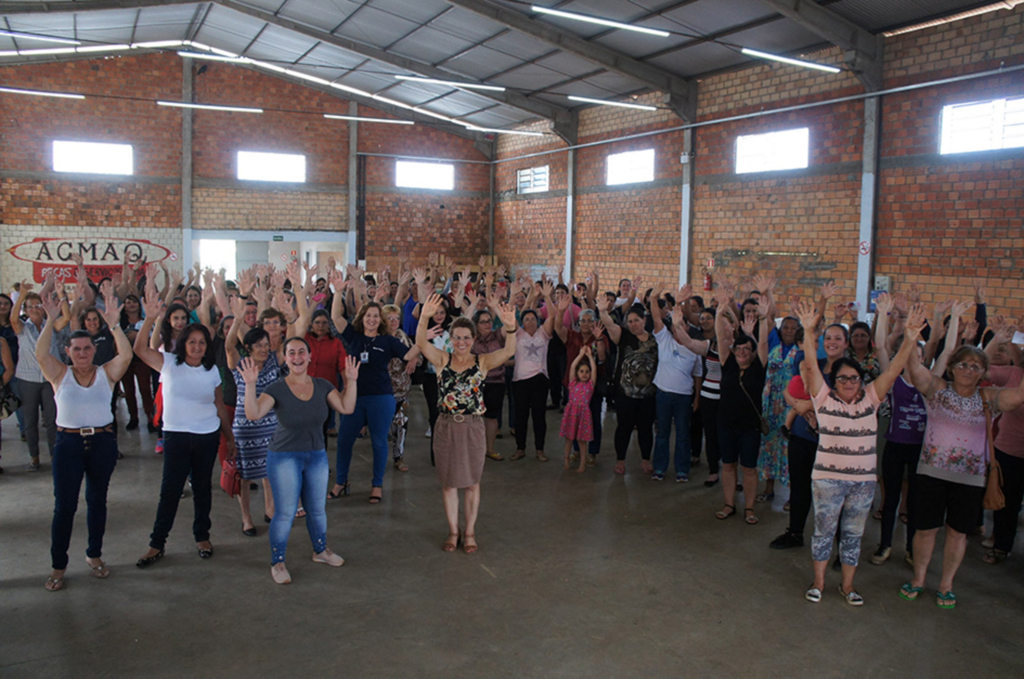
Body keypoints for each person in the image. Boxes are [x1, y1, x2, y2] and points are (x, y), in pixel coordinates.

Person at [797, 300, 925, 606]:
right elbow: (812, 365)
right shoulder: (824, 401)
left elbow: (893, 371)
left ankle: (848, 587)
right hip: (827, 480)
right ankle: (818, 583)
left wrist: (909, 340)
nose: (850, 383)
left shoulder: (871, 399)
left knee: (853, 537)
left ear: (861, 381)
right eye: (843, 378)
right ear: (834, 382)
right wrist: (807, 330)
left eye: (854, 378)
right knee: (823, 534)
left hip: (862, 484)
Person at [900, 322, 1024, 608]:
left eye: (976, 366)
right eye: (964, 364)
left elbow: (1017, 396)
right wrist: (909, 340)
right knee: (926, 530)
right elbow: (915, 371)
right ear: (953, 367)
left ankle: (946, 585)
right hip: (931, 474)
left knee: (957, 533)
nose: (969, 369)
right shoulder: (937, 389)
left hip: (969, 480)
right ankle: (919, 579)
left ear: (983, 372)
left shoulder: (988, 397)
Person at [241, 339, 359, 584]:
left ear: (309, 356)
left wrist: (352, 380)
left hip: (316, 455)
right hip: (284, 457)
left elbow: (347, 407)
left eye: (301, 352)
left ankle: (320, 550)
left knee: (317, 510)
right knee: (284, 513)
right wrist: (250, 385)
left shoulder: (323, 385)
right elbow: (253, 414)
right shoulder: (277, 388)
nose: (296, 357)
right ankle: (278, 561)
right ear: (285, 357)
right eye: (291, 353)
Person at [36, 292, 132, 591]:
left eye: (86, 348)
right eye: (76, 349)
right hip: (68, 445)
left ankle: (94, 555)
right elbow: (40, 355)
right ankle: (58, 565)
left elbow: (126, 356)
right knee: (64, 506)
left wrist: (114, 326)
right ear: (68, 351)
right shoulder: (59, 374)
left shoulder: (106, 373)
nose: (81, 353)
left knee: (96, 502)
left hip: (102, 443)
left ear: (93, 350)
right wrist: (50, 320)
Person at [133, 290, 237, 568]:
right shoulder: (168, 363)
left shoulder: (212, 370)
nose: (197, 347)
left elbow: (219, 407)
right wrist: (150, 319)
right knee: (170, 491)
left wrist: (230, 438)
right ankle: (157, 543)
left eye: (202, 342)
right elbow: (140, 350)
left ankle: (202, 536)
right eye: (192, 342)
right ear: (182, 343)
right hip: (177, 437)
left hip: (207, 436)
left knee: (203, 488)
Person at [415, 293, 517, 553]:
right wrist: (424, 318)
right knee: (449, 482)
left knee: (472, 482)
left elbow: (509, 351)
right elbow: (421, 344)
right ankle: (453, 531)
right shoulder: (442, 359)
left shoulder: (482, 362)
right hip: (446, 426)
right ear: (451, 339)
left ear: (473, 340)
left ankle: (469, 532)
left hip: (473, 426)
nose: (461, 342)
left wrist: (510, 326)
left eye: (466, 337)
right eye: (457, 337)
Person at [329, 271, 417, 503]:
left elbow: (408, 354)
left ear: (382, 320)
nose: (372, 319)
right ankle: (341, 481)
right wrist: (338, 291)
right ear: (362, 317)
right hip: (354, 397)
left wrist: (423, 342)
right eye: (368, 315)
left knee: (379, 441)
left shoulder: (388, 341)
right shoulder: (355, 336)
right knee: (344, 441)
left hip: (381, 397)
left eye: (376, 316)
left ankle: (377, 485)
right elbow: (337, 318)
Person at [869, 293, 928, 565]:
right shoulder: (893, 380)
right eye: (909, 351)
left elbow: (947, 351)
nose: (912, 357)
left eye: (917, 353)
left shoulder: (930, 383)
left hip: (920, 452)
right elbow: (880, 346)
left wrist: (932, 322)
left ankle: (911, 550)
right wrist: (883, 314)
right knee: (890, 500)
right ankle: (885, 545)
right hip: (894, 446)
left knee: (916, 502)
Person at [713, 291, 770, 524]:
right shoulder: (727, 363)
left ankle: (749, 508)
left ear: (753, 352)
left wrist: (764, 319)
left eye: (747, 349)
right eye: (739, 350)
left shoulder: (759, 367)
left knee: (748, 468)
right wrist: (719, 312)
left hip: (749, 427)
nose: (743, 353)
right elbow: (719, 334)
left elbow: (764, 342)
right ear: (733, 351)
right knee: (728, 465)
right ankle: (729, 504)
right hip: (726, 424)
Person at [649, 282, 710, 482]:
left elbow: (698, 375)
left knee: (683, 434)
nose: (678, 327)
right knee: (663, 433)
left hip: (684, 396)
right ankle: (659, 467)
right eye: (676, 323)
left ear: (687, 328)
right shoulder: (663, 338)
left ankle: (682, 470)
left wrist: (697, 398)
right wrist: (653, 297)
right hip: (663, 394)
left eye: (682, 324)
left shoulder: (694, 347)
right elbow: (656, 316)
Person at [597, 293, 659, 475]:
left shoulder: (655, 339)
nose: (633, 324)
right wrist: (602, 311)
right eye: (630, 321)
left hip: (649, 394)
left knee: (646, 429)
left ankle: (645, 459)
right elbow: (609, 323)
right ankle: (620, 460)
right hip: (625, 394)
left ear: (644, 320)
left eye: (636, 321)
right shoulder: (622, 336)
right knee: (624, 427)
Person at [11, 283, 68, 470]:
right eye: (30, 306)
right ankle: (34, 457)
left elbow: (66, 317)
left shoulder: (50, 325)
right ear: (25, 310)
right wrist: (22, 295)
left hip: (50, 379)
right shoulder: (23, 328)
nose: (35, 309)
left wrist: (61, 295)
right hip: (27, 379)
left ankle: (55, 455)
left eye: (38, 305)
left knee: (52, 420)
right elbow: (12, 318)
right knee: (30, 420)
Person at [982, 321, 1024, 564]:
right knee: (1006, 501)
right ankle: (1001, 545)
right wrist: (996, 340)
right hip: (1008, 448)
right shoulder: (1014, 374)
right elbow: (982, 368)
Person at [510, 282, 556, 462]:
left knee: (539, 416)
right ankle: (520, 448)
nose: (530, 321)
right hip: (520, 381)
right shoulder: (518, 334)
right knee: (521, 417)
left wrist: (546, 297)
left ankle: (540, 449)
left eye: (533, 319)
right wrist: (513, 296)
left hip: (540, 380)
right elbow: (510, 315)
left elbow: (552, 316)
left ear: (538, 321)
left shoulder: (543, 334)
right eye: (526, 319)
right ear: (522, 323)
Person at [383, 304, 418, 471]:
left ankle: (399, 457)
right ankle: (380, 457)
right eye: (390, 318)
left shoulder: (403, 336)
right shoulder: (379, 337)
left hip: (403, 389)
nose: (394, 321)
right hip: (383, 389)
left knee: (401, 424)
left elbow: (416, 354)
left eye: (396, 318)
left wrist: (413, 358)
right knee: (382, 426)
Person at [471, 306, 508, 462]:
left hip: (496, 381)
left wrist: (498, 309)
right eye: (483, 322)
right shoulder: (471, 339)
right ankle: (475, 450)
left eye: (489, 321)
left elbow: (510, 327)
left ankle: (490, 449)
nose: (487, 325)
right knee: (474, 418)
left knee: (492, 417)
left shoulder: (497, 336)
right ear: (476, 324)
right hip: (476, 383)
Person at [119, 294, 156, 432]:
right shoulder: (120, 322)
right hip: (126, 361)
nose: (131, 305)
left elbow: (152, 337)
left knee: (145, 389)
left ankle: (150, 418)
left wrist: (138, 334)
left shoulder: (145, 321)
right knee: (129, 391)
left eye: (134, 302)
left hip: (142, 360)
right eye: (128, 302)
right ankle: (133, 418)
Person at [560, 346, 596, 473]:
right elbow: (572, 366)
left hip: (583, 416)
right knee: (569, 439)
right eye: (581, 371)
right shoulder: (572, 383)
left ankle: (582, 463)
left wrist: (590, 357)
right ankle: (566, 460)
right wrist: (581, 355)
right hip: (571, 414)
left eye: (587, 371)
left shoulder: (590, 386)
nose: (584, 374)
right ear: (577, 373)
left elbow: (594, 371)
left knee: (582, 441)